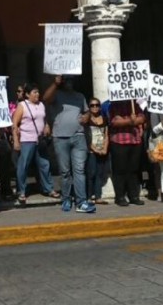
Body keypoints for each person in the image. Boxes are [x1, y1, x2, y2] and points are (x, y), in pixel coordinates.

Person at [43, 75, 94, 213]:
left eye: (72, 81)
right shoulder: (56, 95)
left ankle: (81, 202)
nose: (69, 83)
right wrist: (55, 83)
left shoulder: (80, 96)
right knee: (65, 172)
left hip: (78, 136)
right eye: (67, 81)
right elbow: (46, 98)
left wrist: (87, 116)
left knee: (79, 170)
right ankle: (66, 198)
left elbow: (87, 111)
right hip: (60, 137)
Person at [11, 83, 58, 204]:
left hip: (40, 139)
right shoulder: (22, 105)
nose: (37, 94)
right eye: (34, 92)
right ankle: (21, 191)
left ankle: (49, 188)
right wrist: (16, 140)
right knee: (24, 165)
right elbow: (15, 124)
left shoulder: (41, 104)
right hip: (27, 139)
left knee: (44, 164)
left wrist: (46, 125)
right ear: (27, 94)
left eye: (38, 92)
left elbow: (43, 118)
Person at [108, 99, 146, 207]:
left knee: (133, 170)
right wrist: (130, 121)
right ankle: (120, 196)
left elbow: (142, 118)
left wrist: (130, 120)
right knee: (120, 171)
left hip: (135, 141)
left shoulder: (135, 104)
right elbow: (114, 121)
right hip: (119, 141)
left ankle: (133, 196)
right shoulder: (114, 105)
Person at [85, 97, 110, 205]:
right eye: (92, 105)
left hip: (102, 149)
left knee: (100, 173)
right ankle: (89, 196)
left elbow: (106, 134)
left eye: (97, 105)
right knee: (91, 173)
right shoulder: (87, 120)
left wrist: (104, 148)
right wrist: (94, 149)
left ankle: (98, 196)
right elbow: (86, 136)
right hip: (91, 150)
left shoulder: (104, 119)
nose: (95, 107)